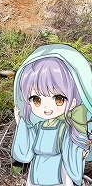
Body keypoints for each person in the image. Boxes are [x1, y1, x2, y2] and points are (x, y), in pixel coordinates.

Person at [12, 44, 92, 186]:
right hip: (36, 172)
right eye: (36, 100)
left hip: (59, 173)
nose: (46, 106)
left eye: (58, 99)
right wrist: (21, 124)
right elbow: (26, 149)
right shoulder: (38, 126)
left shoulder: (64, 127)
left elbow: (72, 149)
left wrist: (80, 152)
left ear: (73, 101)